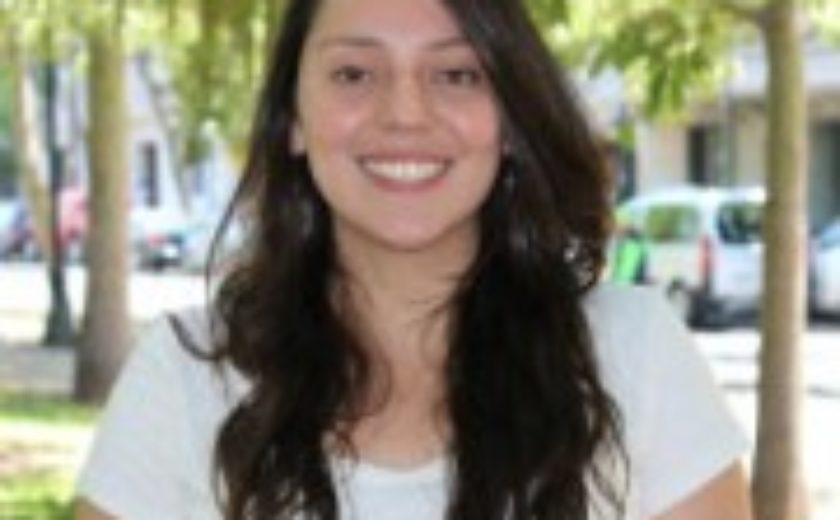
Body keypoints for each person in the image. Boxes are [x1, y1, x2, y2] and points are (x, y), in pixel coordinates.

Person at [75, 0, 753, 518]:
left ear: (509, 119)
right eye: (354, 74)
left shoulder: (634, 355)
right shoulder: (186, 378)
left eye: (456, 74)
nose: (405, 113)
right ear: (294, 120)